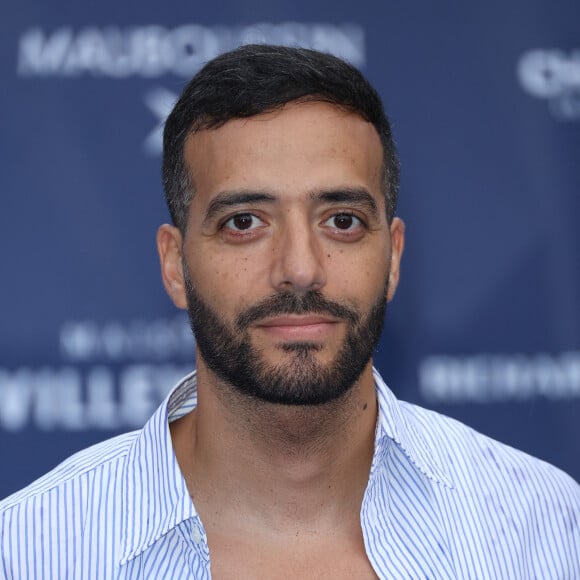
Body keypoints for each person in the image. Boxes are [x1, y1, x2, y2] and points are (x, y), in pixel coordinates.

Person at [0, 44, 579, 579]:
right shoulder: (28, 550)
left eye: (342, 221)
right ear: (175, 265)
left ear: (394, 256)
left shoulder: (543, 530)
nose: (301, 268)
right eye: (245, 222)